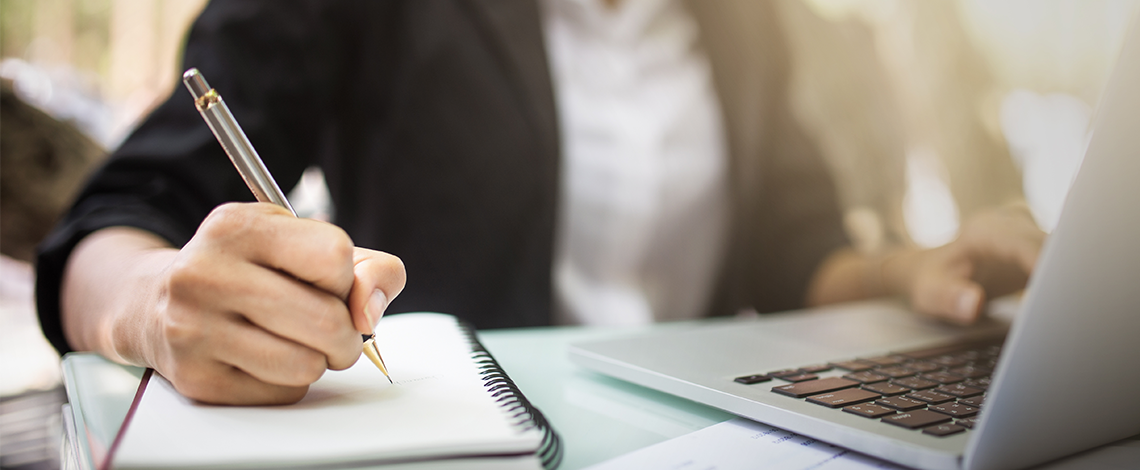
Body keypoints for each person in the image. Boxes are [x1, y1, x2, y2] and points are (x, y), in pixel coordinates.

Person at [35, 0, 1043, 405]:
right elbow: (116, 219)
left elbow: (794, 246)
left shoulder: (746, 21)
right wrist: (155, 305)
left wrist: (910, 271)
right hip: (458, 440)